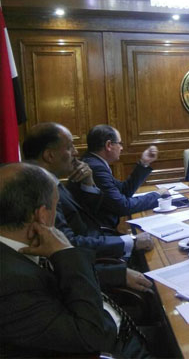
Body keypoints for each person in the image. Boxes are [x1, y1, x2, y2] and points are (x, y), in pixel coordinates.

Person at [0, 163, 148, 357]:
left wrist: (117, 273)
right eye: (55, 206)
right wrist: (66, 251)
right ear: (42, 215)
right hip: (114, 348)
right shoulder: (10, 286)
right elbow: (94, 337)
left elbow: (52, 274)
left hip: (116, 323)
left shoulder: (20, 245)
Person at [22, 122, 153, 292]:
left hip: (95, 250)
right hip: (90, 267)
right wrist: (130, 243)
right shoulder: (41, 192)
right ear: (49, 155)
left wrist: (89, 183)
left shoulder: (50, 181)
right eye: (70, 147)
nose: (76, 152)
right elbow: (67, 246)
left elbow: (87, 214)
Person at [82, 124, 168, 227]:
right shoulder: (95, 168)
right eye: (120, 143)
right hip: (100, 231)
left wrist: (144, 162)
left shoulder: (94, 162)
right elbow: (123, 206)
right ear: (108, 145)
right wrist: (157, 194)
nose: (122, 148)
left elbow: (124, 190)